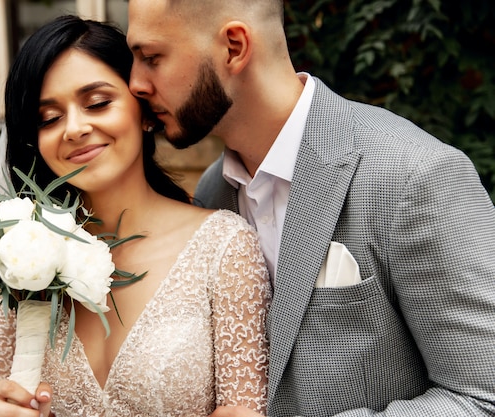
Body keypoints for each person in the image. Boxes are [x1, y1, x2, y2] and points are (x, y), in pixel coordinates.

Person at [125, 0, 495, 416]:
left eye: (151, 58)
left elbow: (482, 396)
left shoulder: (414, 175)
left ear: (234, 47)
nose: (135, 83)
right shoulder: (213, 195)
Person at [0, 15, 272, 417]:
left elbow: (244, 408)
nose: (75, 129)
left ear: (144, 111)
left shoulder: (225, 248)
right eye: (49, 118)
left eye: (97, 103)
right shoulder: (16, 257)